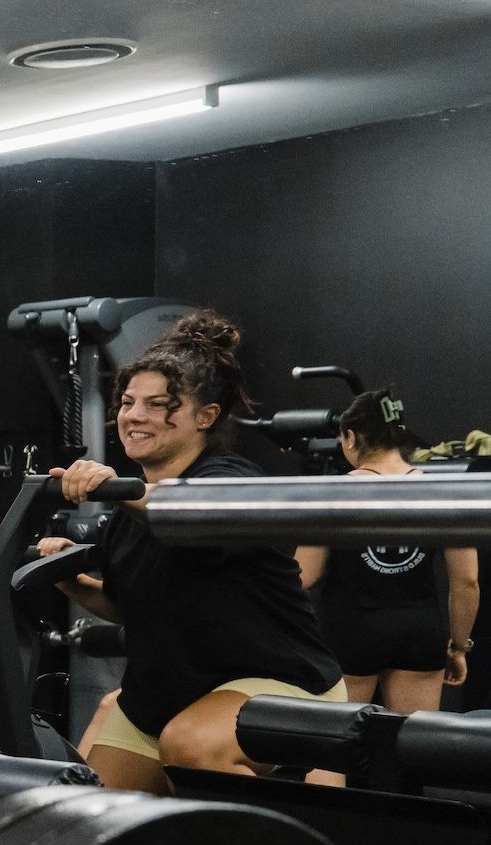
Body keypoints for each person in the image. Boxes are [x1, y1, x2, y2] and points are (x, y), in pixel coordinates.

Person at [43, 310, 345, 793]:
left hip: (279, 683)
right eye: (128, 402)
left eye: (159, 405)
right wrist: (68, 580)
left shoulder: (231, 481)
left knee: (191, 744)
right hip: (165, 699)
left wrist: (115, 489)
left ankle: (271, 844)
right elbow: (125, 607)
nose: (135, 416)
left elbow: (189, 512)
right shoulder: (126, 514)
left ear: (206, 416)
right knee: (90, 813)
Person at [295, 388, 478, 716]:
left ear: (351, 437)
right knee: (413, 742)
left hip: (350, 629)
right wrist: (458, 646)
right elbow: (467, 581)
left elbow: (303, 576)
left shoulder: (332, 492)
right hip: (419, 630)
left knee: (335, 742)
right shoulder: (444, 492)